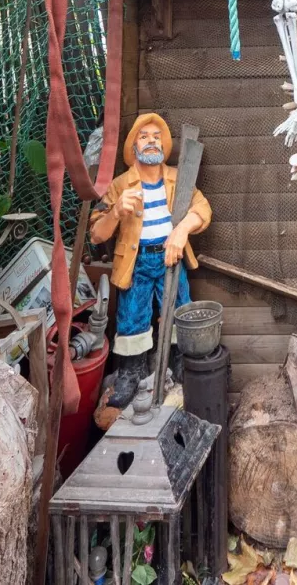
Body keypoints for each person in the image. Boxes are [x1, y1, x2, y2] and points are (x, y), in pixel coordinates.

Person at [90, 113, 210, 407]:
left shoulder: (177, 179)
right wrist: (116, 212)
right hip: (137, 262)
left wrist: (181, 231)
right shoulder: (120, 185)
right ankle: (131, 372)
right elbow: (95, 233)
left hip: (171, 255)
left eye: (157, 137)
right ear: (133, 147)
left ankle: (180, 363)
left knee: (180, 308)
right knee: (132, 314)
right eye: (144, 137)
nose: (152, 141)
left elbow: (203, 208)